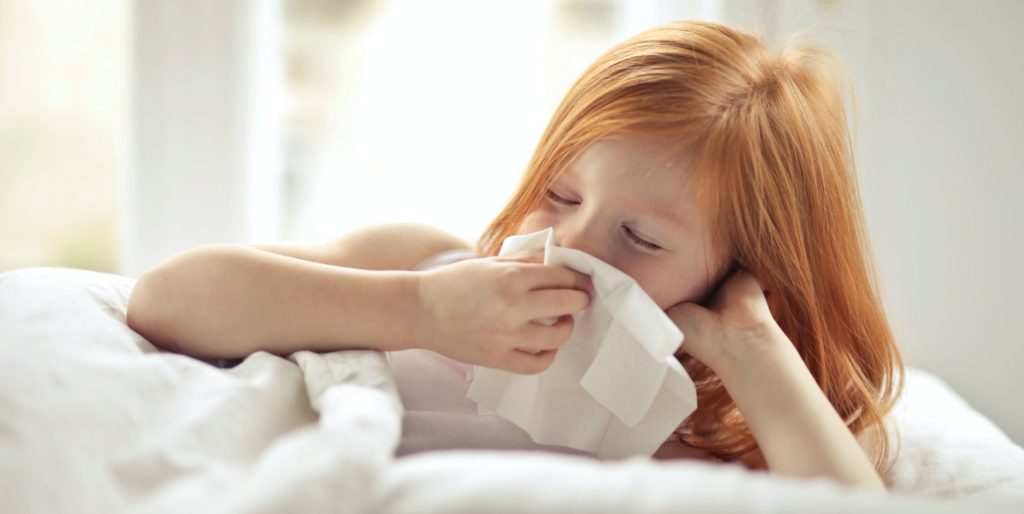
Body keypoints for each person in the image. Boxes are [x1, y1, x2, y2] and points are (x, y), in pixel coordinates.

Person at [127, 20, 903, 492]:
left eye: (641, 239)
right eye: (561, 194)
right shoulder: (426, 266)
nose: (569, 242)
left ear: (739, 272)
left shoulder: (698, 433)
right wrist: (417, 311)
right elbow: (166, 298)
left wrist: (752, 349)